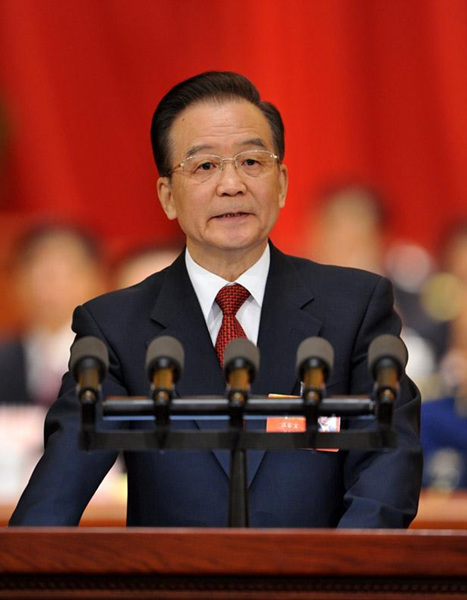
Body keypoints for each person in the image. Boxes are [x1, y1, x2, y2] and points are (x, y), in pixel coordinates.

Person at [9, 71, 422, 528]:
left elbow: (388, 466)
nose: (231, 184)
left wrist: (334, 568)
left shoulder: (355, 306)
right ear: (168, 196)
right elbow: (57, 492)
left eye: (252, 161)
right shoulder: (115, 327)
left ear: (282, 183)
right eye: (204, 166)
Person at [0, 223, 104, 407]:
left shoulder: (114, 361)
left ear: (95, 279)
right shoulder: (4, 359)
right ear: (15, 280)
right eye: (37, 268)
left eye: (64, 270)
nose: (50, 281)